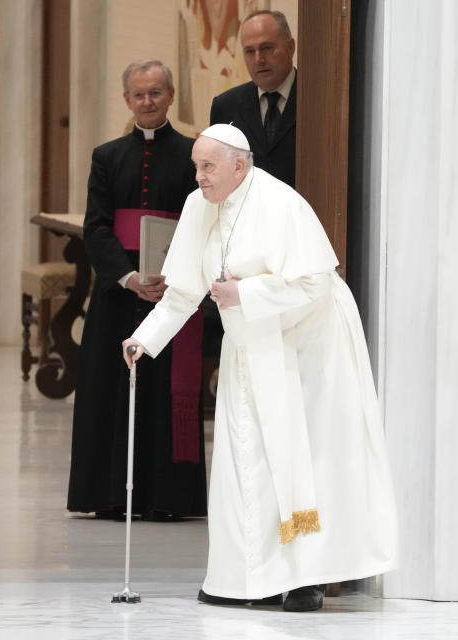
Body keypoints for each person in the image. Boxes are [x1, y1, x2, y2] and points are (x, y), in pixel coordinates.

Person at [122, 124, 398, 611]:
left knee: (305, 460)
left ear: (239, 165)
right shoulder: (197, 205)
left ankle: (307, 579)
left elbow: (314, 284)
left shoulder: (281, 203)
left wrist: (244, 293)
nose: (200, 177)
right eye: (196, 167)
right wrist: (145, 338)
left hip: (308, 346)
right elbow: (185, 288)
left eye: (208, 167)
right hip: (251, 340)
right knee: (244, 457)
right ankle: (246, 578)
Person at [67, 60, 206, 522]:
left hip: (172, 293)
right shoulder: (106, 156)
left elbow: (201, 225)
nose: (147, 102)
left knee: (163, 395)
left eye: (156, 93)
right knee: (110, 391)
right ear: (126, 99)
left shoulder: (192, 155)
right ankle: (109, 496)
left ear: (170, 96)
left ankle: (167, 497)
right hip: (117, 294)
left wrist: (174, 278)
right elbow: (96, 229)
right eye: (138, 95)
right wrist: (128, 277)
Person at [209, 10, 297, 187]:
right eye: (250, 51)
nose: (259, 59)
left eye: (266, 48)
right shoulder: (226, 106)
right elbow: (216, 176)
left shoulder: (316, 100)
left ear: (290, 47)